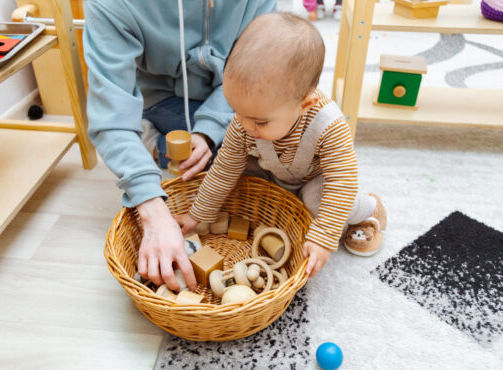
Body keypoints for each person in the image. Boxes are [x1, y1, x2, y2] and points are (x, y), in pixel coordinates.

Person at [83, 0, 277, 291]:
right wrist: (152, 210)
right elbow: (111, 117)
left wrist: (209, 130)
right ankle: (155, 140)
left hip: (237, 91)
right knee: (234, 165)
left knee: (282, 136)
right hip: (163, 98)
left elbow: (264, 72)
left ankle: (159, 143)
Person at [175, 13, 387, 278]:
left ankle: (369, 209)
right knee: (238, 178)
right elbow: (224, 168)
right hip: (275, 170)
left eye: (259, 122)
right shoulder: (246, 121)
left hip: (314, 178)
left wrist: (322, 238)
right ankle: (284, 207)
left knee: (321, 201)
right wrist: (197, 215)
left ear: (304, 105)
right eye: (236, 112)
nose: (244, 125)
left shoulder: (329, 126)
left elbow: (341, 182)